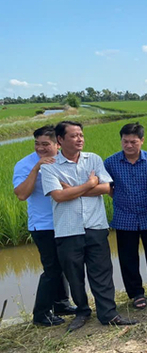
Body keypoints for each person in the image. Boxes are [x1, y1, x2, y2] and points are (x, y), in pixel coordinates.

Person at [41, 121, 137, 331]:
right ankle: (82, 312)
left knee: (102, 273)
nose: (80, 139)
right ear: (60, 140)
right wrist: (88, 184)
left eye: (81, 135)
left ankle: (108, 313)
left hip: (95, 226)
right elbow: (58, 196)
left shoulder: (93, 159)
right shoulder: (49, 167)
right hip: (68, 230)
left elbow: (105, 187)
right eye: (74, 136)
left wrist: (73, 190)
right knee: (74, 276)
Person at [13, 125, 76, 327]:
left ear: (58, 143)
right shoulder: (25, 164)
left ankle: (61, 304)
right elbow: (22, 194)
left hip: (64, 221)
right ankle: (41, 314)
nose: (40, 148)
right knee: (52, 268)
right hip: (42, 225)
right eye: (37, 144)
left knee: (63, 265)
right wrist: (37, 167)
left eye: (45, 144)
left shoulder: (65, 160)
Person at [104, 123, 147, 310]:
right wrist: (123, 199)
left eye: (133, 142)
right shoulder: (110, 163)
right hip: (124, 218)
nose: (129, 145)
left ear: (142, 141)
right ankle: (136, 293)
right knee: (128, 258)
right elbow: (108, 187)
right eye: (125, 141)